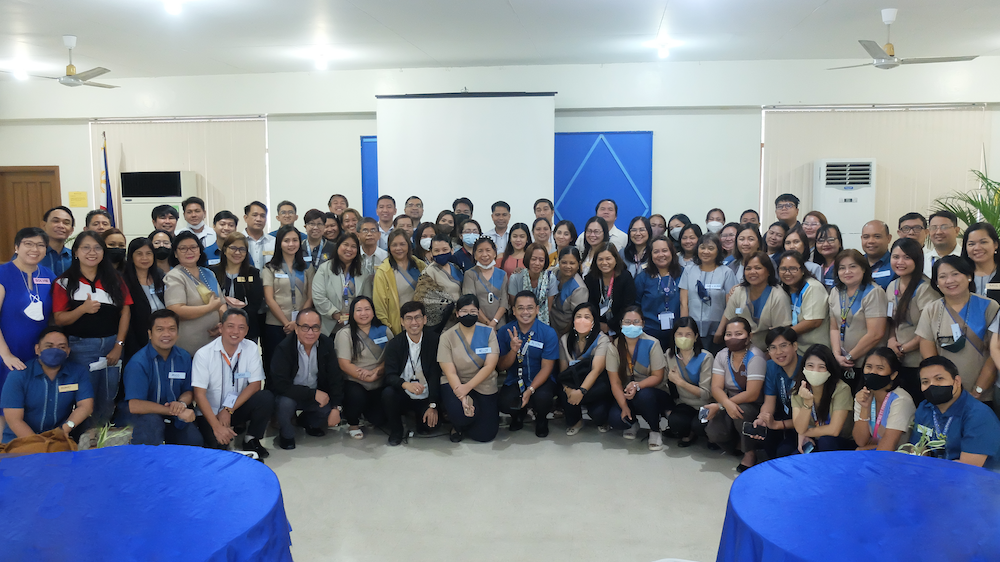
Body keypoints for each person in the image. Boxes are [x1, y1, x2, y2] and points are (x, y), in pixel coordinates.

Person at [53, 231, 132, 427]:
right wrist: (82, 309)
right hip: (80, 348)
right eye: (86, 247)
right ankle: (82, 437)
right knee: (83, 396)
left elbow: (125, 312)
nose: (92, 252)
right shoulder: (64, 282)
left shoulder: (115, 280)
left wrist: (119, 344)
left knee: (108, 396)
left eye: (97, 248)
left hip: (112, 345)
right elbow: (59, 318)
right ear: (76, 252)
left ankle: (101, 436)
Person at [917, 255, 999, 405]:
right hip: (946, 394)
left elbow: (995, 354)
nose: (949, 280)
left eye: (955, 274)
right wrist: (944, 389)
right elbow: (929, 357)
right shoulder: (931, 310)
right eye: (943, 276)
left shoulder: (990, 307)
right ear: (936, 283)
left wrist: (978, 390)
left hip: (984, 392)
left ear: (969, 276)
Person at [191, 308, 273, 456]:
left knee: (265, 397)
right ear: (221, 328)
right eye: (230, 326)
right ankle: (217, 433)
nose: (235, 331)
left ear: (246, 330)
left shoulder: (250, 348)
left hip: (234, 408)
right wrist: (216, 426)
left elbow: (255, 385)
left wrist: (228, 409)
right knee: (220, 451)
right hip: (210, 413)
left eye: (241, 327)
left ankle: (251, 438)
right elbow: (199, 395)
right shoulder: (204, 354)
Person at [0, 227, 57, 435]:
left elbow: (53, 316)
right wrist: (5, 354)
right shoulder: (3, 273)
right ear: (17, 247)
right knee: (6, 408)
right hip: (7, 353)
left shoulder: (48, 275)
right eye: (29, 244)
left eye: (41, 245)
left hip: (38, 354)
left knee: (33, 405)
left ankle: (35, 449)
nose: (35, 249)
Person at [123, 309, 203, 446]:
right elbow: (135, 405)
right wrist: (173, 410)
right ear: (150, 334)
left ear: (178, 333)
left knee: (194, 441)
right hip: (144, 418)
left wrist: (182, 404)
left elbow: (188, 390)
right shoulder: (138, 362)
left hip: (175, 416)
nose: (166, 334)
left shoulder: (183, 357)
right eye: (160, 329)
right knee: (153, 424)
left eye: (172, 329)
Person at [1, 327, 93, 443]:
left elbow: (86, 406)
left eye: (61, 347)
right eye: (49, 346)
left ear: (68, 352)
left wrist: (64, 429)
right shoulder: (19, 375)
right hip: (20, 442)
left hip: (59, 439)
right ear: (37, 349)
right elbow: (14, 420)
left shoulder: (78, 372)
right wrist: (41, 445)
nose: (55, 350)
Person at [910, 356, 1000, 469]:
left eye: (939, 378)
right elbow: (918, 451)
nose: (932, 385)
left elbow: (967, 468)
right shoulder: (924, 408)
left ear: (957, 381)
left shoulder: (979, 415)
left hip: (977, 477)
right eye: (925, 382)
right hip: (937, 472)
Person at [270, 308, 342, 450]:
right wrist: (312, 393)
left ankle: (307, 422)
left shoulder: (326, 344)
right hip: (290, 394)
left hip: (315, 394)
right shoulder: (284, 348)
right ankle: (286, 434)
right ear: (296, 329)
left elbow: (335, 377)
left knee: (327, 409)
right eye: (305, 327)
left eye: (315, 327)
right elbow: (280, 385)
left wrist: (336, 408)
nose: (310, 332)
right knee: (285, 404)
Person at [438, 294, 502, 443]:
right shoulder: (447, 337)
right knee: (461, 414)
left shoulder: (489, 333)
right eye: (464, 311)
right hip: (457, 383)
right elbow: (450, 371)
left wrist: (468, 387)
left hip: (483, 382)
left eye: (473, 311)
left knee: (485, 435)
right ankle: (458, 426)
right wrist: (462, 396)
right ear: (457, 313)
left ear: (478, 313)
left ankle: (474, 419)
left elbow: (490, 366)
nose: (469, 315)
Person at [704, 317, 765, 472]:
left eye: (738, 334)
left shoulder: (756, 356)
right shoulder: (722, 355)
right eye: (728, 334)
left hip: (753, 405)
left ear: (749, 336)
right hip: (729, 402)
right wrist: (726, 404)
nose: (733, 338)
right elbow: (716, 388)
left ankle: (750, 453)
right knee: (712, 431)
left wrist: (721, 405)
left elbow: (752, 393)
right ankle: (737, 444)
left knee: (741, 412)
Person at [496, 291, 559, 437]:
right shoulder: (505, 331)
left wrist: (530, 390)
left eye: (530, 308)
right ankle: (518, 415)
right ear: (514, 310)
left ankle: (541, 418)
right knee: (504, 403)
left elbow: (547, 367)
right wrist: (513, 351)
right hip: (515, 379)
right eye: (521, 308)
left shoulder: (548, 333)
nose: (525, 312)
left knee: (543, 399)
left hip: (540, 379)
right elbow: (501, 367)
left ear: (537, 309)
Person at [606, 306, 669, 450]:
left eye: (636, 322)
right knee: (616, 419)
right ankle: (633, 423)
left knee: (644, 395)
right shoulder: (614, 346)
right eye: (627, 322)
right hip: (627, 393)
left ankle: (655, 430)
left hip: (652, 392)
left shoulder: (652, 343)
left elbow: (658, 376)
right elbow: (615, 382)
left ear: (643, 324)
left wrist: (637, 385)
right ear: (621, 324)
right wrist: (623, 406)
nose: (632, 325)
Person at [885, 238, 939, 401]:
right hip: (897, 361)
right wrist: (891, 340)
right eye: (896, 257)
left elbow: (928, 329)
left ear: (917, 260)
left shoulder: (925, 289)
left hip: (918, 361)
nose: (900, 262)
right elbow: (891, 320)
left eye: (907, 257)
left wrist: (903, 349)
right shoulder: (892, 286)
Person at [382, 302, 442, 445]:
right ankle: (396, 430)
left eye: (417, 317)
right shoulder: (395, 344)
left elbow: (436, 374)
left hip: (426, 394)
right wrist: (405, 385)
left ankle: (419, 418)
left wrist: (433, 405)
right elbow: (389, 375)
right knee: (388, 393)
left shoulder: (435, 341)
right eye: (409, 318)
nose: (414, 322)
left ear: (425, 319)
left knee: (429, 427)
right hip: (404, 392)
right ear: (402, 322)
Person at [335, 296, 392, 439]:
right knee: (356, 396)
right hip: (355, 380)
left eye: (367, 309)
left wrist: (377, 372)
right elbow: (344, 364)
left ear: (373, 312)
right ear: (352, 313)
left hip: (379, 379)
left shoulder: (384, 330)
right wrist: (366, 376)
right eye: (359, 310)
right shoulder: (345, 334)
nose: (363, 313)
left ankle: (367, 415)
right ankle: (353, 424)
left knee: (379, 419)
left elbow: (392, 358)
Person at [828, 250, 888, 383]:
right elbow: (834, 327)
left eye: (853, 266)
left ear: (863, 269)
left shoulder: (874, 292)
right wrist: (837, 355)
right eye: (842, 268)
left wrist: (850, 357)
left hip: (867, 363)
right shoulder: (836, 292)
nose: (847, 272)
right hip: (841, 361)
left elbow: (875, 334)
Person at [262, 225, 314, 380]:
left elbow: (310, 297)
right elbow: (269, 299)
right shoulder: (270, 268)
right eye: (286, 240)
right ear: (279, 243)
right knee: (275, 365)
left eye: (295, 240)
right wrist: (287, 323)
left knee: (298, 365)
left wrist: (297, 323)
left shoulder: (307, 267)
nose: (291, 244)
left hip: (301, 325)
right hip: (276, 324)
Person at [164, 231, 223, 357]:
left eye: (193, 247)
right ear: (175, 253)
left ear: (200, 250)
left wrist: (223, 324)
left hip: (215, 340)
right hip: (189, 345)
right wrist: (209, 307)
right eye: (183, 248)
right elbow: (176, 310)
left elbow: (221, 303)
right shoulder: (175, 276)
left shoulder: (208, 273)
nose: (189, 252)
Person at [717, 252, 792, 351]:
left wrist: (767, 356)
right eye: (748, 268)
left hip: (769, 351)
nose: (752, 272)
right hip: (739, 348)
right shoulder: (738, 292)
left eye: (758, 268)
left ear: (768, 271)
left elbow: (781, 333)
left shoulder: (778, 296)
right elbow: (730, 321)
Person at [559, 302, 613, 436]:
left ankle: (602, 419)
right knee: (564, 393)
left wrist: (581, 391)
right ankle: (576, 421)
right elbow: (563, 371)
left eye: (587, 317)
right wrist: (568, 390)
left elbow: (596, 370)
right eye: (578, 316)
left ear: (594, 321)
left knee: (598, 414)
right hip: (573, 380)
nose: (582, 320)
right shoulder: (565, 339)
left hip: (595, 384)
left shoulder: (602, 339)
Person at [791, 344, 855, 452]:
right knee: (793, 454)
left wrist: (805, 433)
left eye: (821, 367)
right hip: (815, 439)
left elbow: (834, 430)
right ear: (803, 367)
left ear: (830, 369)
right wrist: (807, 403)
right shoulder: (798, 390)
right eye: (810, 365)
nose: (815, 371)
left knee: (826, 441)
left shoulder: (841, 389)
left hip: (841, 441)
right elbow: (799, 428)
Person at [679, 232, 737, 353]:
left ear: (718, 251)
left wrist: (721, 330)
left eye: (711, 248)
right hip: (693, 330)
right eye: (702, 247)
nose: (706, 251)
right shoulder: (688, 271)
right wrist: (685, 328)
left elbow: (730, 306)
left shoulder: (726, 272)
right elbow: (683, 303)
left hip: (717, 330)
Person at [751, 327, 803, 459]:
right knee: (767, 442)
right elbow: (769, 401)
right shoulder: (771, 366)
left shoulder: (806, 367)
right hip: (783, 416)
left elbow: (809, 416)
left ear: (795, 346)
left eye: (783, 346)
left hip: (805, 423)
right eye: (773, 348)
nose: (778, 352)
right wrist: (763, 418)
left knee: (784, 452)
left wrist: (777, 425)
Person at [852, 347, 915, 452]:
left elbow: (888, 447)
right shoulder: (862, 396)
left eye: (880, 368)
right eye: (868, 367)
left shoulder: (901, 400)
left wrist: (865, 450)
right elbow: (860, 441)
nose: (873, 372)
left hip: (899, 455)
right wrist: (864, 408)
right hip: (877, 451)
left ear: (893, 375)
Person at [664, 317, 713, 447]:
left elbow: (706, 394)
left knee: (700, 425)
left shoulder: (705, 357)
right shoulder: (670, 355)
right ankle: (688, 431)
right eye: (679, 334)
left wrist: (680, 382)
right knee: (675, 422)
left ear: (696, 337)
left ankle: (696, 432)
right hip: (684, 403)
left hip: (705, 405)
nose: (683, 338)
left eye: (688, 334)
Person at [211, 232, 265, 343]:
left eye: (242, 249)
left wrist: (235, 323)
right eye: (233, 248)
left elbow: (255, 303)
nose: (237, 252)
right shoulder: (212, 272)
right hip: (217, 328)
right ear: (224, 250)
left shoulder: (253, 273)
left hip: (246, 329)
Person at [374, 229, 427, 335]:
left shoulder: (420, 265)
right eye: (394, 245)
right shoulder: (383, 272)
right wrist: (389, 330)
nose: (398, 248)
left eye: (402, 244)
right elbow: (380, 306)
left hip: (422, 323)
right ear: (389, 247)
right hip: (398, 326)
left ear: (408, 245)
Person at [633, 236, 682, 350]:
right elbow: (636, 305)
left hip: (678, 333)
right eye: (656, 252)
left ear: (672, 252)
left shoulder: (683, 274)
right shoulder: (643, 277)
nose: (661, 255)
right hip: (649, 333)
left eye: (665, 250)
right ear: (650, 255)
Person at [122, 237, 166, 362]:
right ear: (131, 257)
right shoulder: (124, 280)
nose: (144, 258)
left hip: (162, 335)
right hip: (137, 338)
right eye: (139, 254)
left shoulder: (160, 276)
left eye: (148, 253)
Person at [777, 251, 831, 352]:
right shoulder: (782, 288)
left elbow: (814, 322)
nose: (787, 273)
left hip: (814, 350)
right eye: (783, 269)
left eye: (793, 269)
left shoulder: (813, 287)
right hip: (794, 348)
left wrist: (783, 334)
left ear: (802, 270)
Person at [313, 232, 364, 336]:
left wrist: (354, 317)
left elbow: (366, 299)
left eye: (353, 246)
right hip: (330, 326)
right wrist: (336, 314)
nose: (349, 249)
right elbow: (318, 296)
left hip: (356, 326)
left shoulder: (363, 272)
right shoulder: (324, 269)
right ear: (338, 246)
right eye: (345, 245)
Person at [585, 242, 636, 337]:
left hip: (621, 326)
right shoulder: (590, 278)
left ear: (616, 259)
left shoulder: (625, 277)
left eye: (608, 259)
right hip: (597, 327)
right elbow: (590, 304)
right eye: (600, 259)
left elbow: (628, 306)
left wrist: (610, 326)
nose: (604, 263)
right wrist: (598, 324)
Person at [415, 235, 464, 333]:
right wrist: (452, 307)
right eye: (436, 250)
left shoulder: (456, 267)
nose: (441, 253)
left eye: (445, 249)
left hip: (461, 320)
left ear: (452, 250)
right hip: (442, 325)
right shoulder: (428, 273)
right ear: (431, 253)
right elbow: (424, 299)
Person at [461, 237, 509, 330]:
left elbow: (504, 302)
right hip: (478, 325)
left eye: (488, 250)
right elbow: (470, 302)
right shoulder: (470, 274)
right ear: (474, 255)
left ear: (494, 253)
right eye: (480, 251)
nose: (484, 254)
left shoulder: (502, 274)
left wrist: (494, 322)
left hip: (500, 324)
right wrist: (488, 324)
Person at [547, 247, 589, 335]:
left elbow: (577, 317)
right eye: (564, 262)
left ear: (578, 264)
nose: (568, 266)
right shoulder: (552, 273)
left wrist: (562, 335)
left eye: (572, 263)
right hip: (547, 323)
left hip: (564, 330)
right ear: (558, 262)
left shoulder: (579, 289)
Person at [506, 243, 551, 324]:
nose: (537, 263)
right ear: (528, 259)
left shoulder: (550, 278)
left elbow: (548, 308)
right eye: (533, 259)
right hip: (519, 320)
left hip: (543, 322)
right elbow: (514, 305)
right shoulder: (515, 278)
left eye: (541, 260)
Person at [962, 222, 1000, 303]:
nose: (977, 248)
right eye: (971, 244)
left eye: (983, 242)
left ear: (995, 244)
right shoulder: (960, 275)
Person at [924, 210, 962, 278]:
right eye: (934, 228)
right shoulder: (922, 261)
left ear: (956, 231)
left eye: (944, 227)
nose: (938, 232)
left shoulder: (967, 258)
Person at [39, 206, 75, 277]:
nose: (61, 226)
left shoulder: (75, 258)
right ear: (43, 225)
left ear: (71, 230)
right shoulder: (31, 255)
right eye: (55, 221)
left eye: (66, 223)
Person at [862, 220, 896, 290]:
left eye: (877, 236)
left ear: (889, 238)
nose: (871, 241)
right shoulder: (856, 263)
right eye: (866, 237)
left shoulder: (897, 264)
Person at [243, 201, 276, 270]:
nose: (259, 219)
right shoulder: (237, 241)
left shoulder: (274, 242)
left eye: (263, 216)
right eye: (255, 215)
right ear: (246, 218)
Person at [358, 217, 388, 288]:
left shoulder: (386, 257)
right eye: (365, 231)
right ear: (358, 235)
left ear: (379, 235)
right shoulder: (354, 255)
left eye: (373, 230)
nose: (369, 234)